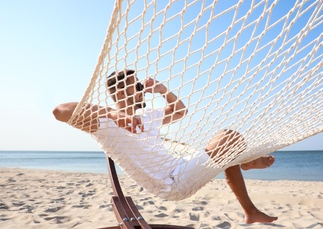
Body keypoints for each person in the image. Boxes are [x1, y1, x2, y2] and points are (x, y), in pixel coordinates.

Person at [53, 69, 278, 224]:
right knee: (228, 138)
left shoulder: (147, 115)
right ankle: (246, 163)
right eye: (137, 86)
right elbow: (59, 111)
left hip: (183, 167)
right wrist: (111, 113)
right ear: (121, 92)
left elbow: (180, 112)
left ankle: (250, 210)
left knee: (225, 141)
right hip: (172, 183)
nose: (142, 89)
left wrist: (162, 91)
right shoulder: (102, 122)